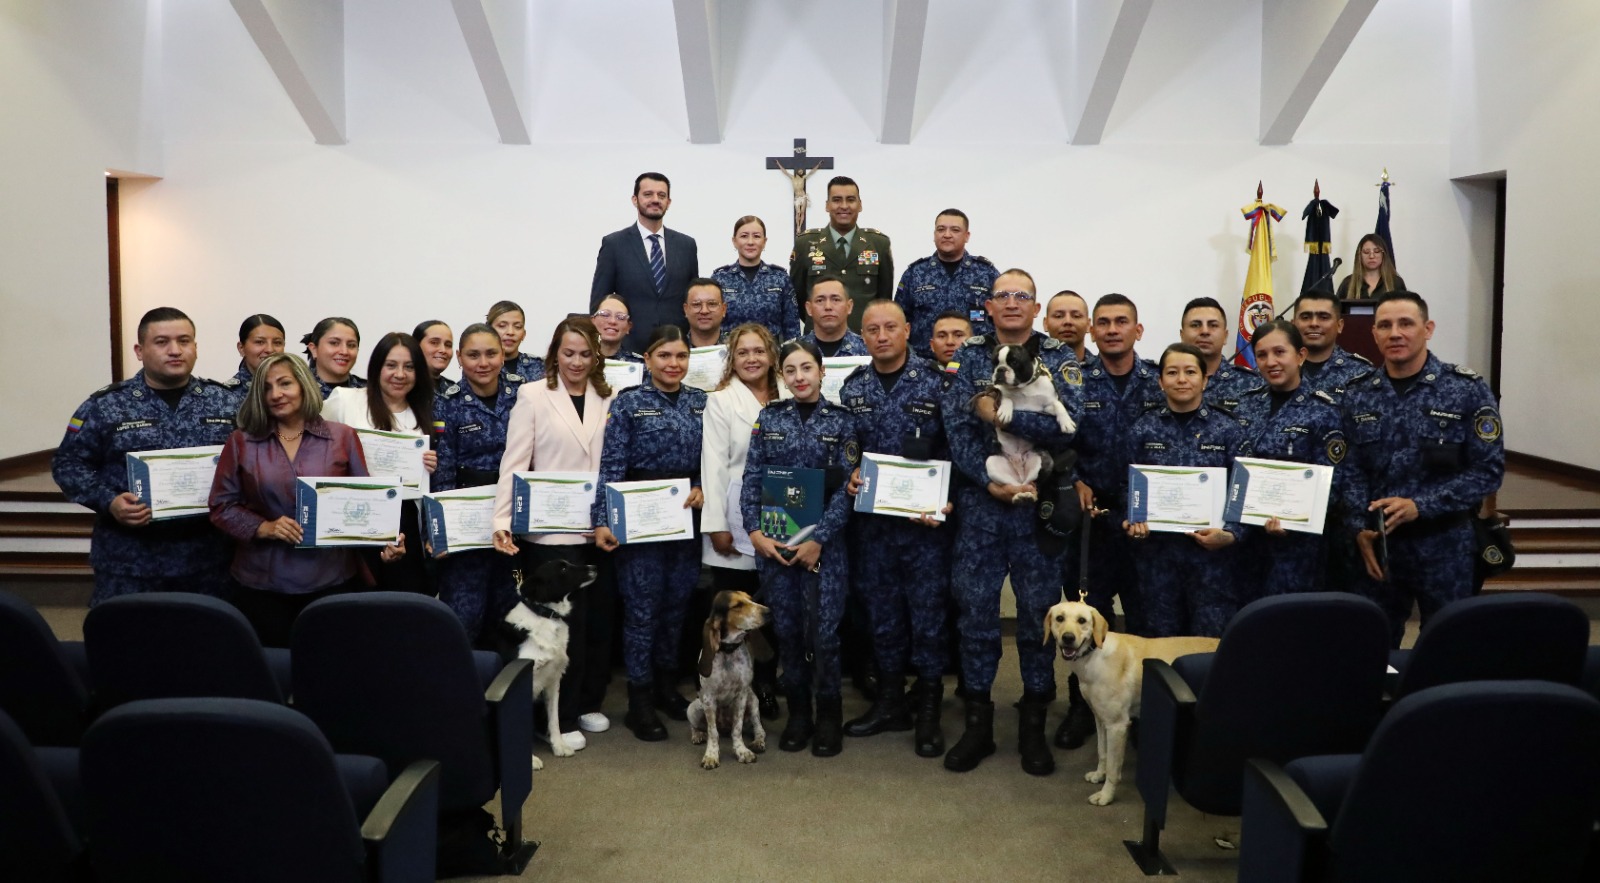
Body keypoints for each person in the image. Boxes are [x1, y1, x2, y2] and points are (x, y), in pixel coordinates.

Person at [941, 269, 1082, 776]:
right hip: (983, 505)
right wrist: (985, 478)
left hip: (1038, 507)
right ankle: (977, 726)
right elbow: (956, 423)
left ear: (1035, 306)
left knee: (1038, 618)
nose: (1013, 303)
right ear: (990, 305)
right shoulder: (969, 353)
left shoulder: (1060, 355)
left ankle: (1033, 728)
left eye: (1022, 295)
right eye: (1004, 295)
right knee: (976, 614)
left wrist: (1000, 416)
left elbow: (1068, 426)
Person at [1339, 291, 1503, 647]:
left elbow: (1488, 471)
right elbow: (1349, 470)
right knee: (1369, 647)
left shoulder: (1464, 390)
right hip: (1379, 547)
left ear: (1427, 329)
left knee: (1448, 647)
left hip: (1444, 545)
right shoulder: (1358, 394)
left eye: (1406, 323)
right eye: (1385, 325)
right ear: (1374, 334)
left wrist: (1422, 505)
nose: (1395, 333)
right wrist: (1357, 528)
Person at [209, 352, 403, 647]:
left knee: (328, 670)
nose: (275, 394)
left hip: (331, 579)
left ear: (303, 385)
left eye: (285, 383)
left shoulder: (343, 437)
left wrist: (385, 543)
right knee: (274, 672)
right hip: (262, 582)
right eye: (266, 388)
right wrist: (264, 527)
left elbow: (368, 504)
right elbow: (221, 506)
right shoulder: (242, 440)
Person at [54, 307, 243, 605]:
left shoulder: (227, 403)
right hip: (131, 559)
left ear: (195, 347)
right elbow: (68, 464)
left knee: (207, 642)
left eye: (184, 340)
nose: (175, 350)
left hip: (209, 559)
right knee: (128, 643)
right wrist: (110, 501)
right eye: (162, 342)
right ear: (140, 351)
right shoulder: (105, 405)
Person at [493, 318, 617, 743]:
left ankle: (584, 704)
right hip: (547, 533)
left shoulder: (609, 394)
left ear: (596, 356)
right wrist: (502, 520)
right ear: (554, 354)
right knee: (553, 630)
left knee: (593, 624)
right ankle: (554, 723)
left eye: (586, 354)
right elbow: (514, 462)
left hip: (597, 528)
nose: (577, 362)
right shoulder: (532, 395)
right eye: (568, 353)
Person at [839, 300, 954, 757]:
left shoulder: (939, 383)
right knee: (882, 617)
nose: (881, 336)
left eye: (890, 327)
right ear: (861, 336)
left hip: (925, 527)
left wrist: (950, 500)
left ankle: (927, 710)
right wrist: (848, 471)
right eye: (871, 329)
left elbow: (958, 450)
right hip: (874, 528)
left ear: (908, 330)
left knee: (927, 618)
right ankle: (889, 703)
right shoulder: (853, 387)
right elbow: (847, 447)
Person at [741, 338, 861, 757]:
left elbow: (849, 489)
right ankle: (799, 715)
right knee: (789, 633)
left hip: (824, 549)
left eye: (806, 368)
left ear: (822, 372)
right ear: (782, 376)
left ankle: (828, 715)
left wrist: (819, 541)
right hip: (775, 546)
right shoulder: (769, 417)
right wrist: (754, 532)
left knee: (823, 634)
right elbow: (753, 478)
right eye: (790, 371)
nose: (799, 377)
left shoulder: (842, 421)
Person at [1055, 293, 1164, 751]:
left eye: (1123, 322)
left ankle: (1147, 715)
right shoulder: (1073, 382)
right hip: (1090, 523)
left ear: (1138, 330)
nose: (1113, 329)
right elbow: (1056, 440)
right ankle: (1083, 710)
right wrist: (1073, 478)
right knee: (1083, 624)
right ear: (1092, 332)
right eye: (1104, 323)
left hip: (1147, 524)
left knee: (1145, 622)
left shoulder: (1161, 378)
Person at [592, 325, 707, 741]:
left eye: (680, 356)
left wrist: (703, 487)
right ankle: (639, 700)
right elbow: (611, 465)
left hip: (683, 520)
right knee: (642, 611)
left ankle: (665, 686)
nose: (673, 364)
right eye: (664, 356)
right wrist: (602, 518)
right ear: (647, 359)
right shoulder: (628, 404)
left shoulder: (700, 402)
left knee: (677, 609)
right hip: (638, 521)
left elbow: (710, 462)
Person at [1122, 344, 1246, 638]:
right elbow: (1124, 485)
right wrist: (1130, 520)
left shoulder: (1228, 429)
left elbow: (1242, 489)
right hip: (1157, 558)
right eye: (1172, 372)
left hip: (1212, 561)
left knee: (1209, 644)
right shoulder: (1142, 428)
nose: (1181, 379)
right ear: (1160, 381)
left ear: (1205, 380)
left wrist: (1232, 533)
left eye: (1190, 372)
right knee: (1160, 642)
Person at [699, 322, 783, 718]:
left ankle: (765, 686)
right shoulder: (721, 401)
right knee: (737, 613)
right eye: (743, 352)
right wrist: (717, 524)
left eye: (759, 351)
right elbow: (713, 466)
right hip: (734, 517)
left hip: (784, 510)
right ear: (732, 359)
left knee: (772, 609)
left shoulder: (789, 388)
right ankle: (725, 692)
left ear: (771, 356)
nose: (752, 359)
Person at [1231, 320, 1346, 601]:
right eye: (1262, 355)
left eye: (1280, 352)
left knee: (1289, 626)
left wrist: (1294, 519)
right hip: (1246, 543)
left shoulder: (1324, 410)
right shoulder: (1244, 404)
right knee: (1246, 624)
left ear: (1301, 355)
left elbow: (1336, 479)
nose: (1271, 362)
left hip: (1298, 548)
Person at [321, 332, 437, 595]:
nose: (400, 374)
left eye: (409, 367)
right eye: (391, 365)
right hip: (354, 513)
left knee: (403, 599)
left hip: (404, 518)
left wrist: (430, 465)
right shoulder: (346, 400)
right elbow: (313, 439)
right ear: (376, 368)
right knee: (357, 598)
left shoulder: (423, 411)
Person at [433, 325, 528, 637]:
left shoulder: (524, 395)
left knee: (513, 614)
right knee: (464, 615)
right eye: (473, 355)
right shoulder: (447, 402)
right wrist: (440, 532)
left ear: (503, 355)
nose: (483, 362)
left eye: (491, 353)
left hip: (517, 521)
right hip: (467, 525)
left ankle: (508, 684)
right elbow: (443, 472)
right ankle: (460, 684)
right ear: (459, 358)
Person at [589, 173, 700, 354]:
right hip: (628, 351)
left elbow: (693, 299)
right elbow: (599, 304)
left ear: (669, 202)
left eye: (661, 195)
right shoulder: (614, 244)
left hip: (676, 350)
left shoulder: (686, 245)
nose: (655, 200)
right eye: (648, 194)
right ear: (635, 200)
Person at [789, 176, 893, 331]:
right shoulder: (805, 244)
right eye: (837, 200)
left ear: (860, 205)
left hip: (865, 340)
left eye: (850, 200)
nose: (844, 206)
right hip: (819, 341)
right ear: (827, 205)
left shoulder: (878, 244)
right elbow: (797, 298)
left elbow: (884, 300)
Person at [893, 209, 999, 360]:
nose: (947, 234)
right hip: (925, 369)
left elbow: (1000, 319)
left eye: (955, 230)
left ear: (967, 236)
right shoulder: (915, 273)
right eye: (941, 229)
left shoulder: (987, 273)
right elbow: (899, 321)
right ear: (934, 234)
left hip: (975, 365)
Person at [711, 216, 801, 345]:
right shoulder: (720, 279)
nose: (750, 242)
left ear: (764, 241)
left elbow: (792, 327)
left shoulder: (780, 278)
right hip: (730, 354)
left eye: (757, 236)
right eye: (744, 236)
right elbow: (711, 324)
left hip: (771, 355)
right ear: (734, 241)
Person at [1178, 296, 1261, 411]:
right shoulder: (1164, 382)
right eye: (1195, 325)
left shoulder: (1253, 385)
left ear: (1225, 336)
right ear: (1182, 336)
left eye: (1213, 325)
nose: (1205, 331)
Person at [1290, 291, 1373, 395]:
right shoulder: (1276, 368)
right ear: (1293, 324)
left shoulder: (1361, 373)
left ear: (1339, 326)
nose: (1314, 324)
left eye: (1324, 317)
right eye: (1306, 317)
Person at [799, 276, 869, 357]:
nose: (828, 307)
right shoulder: (794, 351)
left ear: (849, 306)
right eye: (820, 300)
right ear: (809, 308)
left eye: (836, 300)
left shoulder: (867, 349)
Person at [302, 317, 365, 400]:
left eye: (351, 345)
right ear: (314, 349)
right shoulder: (300, 392)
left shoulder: (369, 392)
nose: (344, 351)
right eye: (334, 343)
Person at [486, 301, 545, 382]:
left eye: (517, 327)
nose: (510, 332)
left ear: (524, 334)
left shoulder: (539, 367)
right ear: (488, 331)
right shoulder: (480, 367)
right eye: (502, 326)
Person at [1336, 233, 1405, 300]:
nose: (1372, 256)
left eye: (1377, 251)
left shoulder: (1396, 283)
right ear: (1359, 255)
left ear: (1383, 255)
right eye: (1366, 252)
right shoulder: (1348, 283)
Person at [233, 314, 286, 384]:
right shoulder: (223, 393)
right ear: (241, 348)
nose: (270, 350)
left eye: (277, 343)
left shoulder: (297, 389)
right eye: (260, 342)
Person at [1043, 291, 1091, 365]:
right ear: (1045, 324)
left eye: (1076, 316)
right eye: (1058, 316)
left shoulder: (1107, 370)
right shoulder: (1033, 369)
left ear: (1088, 324)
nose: (1067, 321)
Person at [593, 294, 643, 364]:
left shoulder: (638, 364)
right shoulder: (580, 360)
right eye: (605, 314)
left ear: (629, 326)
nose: (612, 321)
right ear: (592, 321)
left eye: (621, 317)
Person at [683, 278, 728, 348]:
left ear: (723, 309)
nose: (704, 311)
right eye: (696, 304)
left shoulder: (735, 347)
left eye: (712, 304)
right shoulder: (675, 350)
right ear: (686, 310)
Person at [413, 320, 456, 392]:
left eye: (448, 345)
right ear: (416, 345)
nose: (443, 350)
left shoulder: (453, 390)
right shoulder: (403, 385)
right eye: (434, 343)